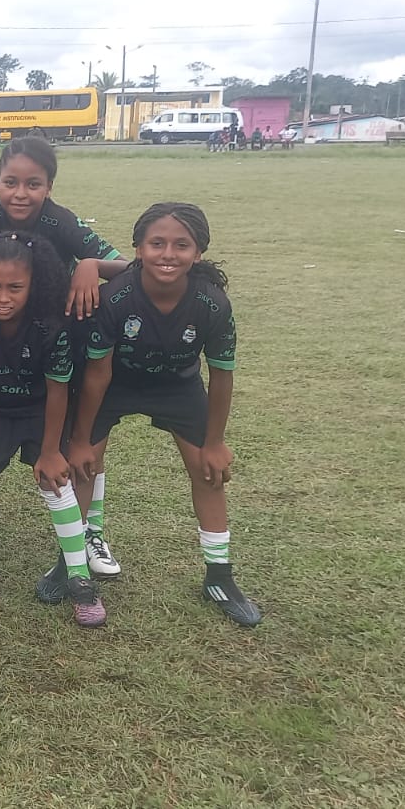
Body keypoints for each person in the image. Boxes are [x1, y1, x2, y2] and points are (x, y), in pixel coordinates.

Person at [0, 137, 126, 579]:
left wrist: (90, 265)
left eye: (33, 184)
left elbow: (127, 266)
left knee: (81, 439)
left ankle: (91, 530)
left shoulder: (61, 221)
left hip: (55, 343)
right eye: (11, 182)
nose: (20, 193)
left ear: (49, 187)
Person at [68, 202, 261, 627]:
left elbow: (222, 375)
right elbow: (97, 373)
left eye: (181, 245)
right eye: (157, 243)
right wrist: (81, 439)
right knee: (82, 464)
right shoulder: (115, 296)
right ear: (138, 248)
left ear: (198, 252)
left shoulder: (212, 304)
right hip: (117, 383)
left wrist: (215, 442)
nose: (168, 254)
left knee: (207, 471)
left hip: (178, 384)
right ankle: (71, 564)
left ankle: (219, 576)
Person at [0, 233, 105, 626]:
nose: (2, 297)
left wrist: (51, 451)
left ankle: (79, 576)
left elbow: (58, 390)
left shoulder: (51, 325)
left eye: (15, 288)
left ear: (35, 284)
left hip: (39, 412)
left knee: (56, 480)